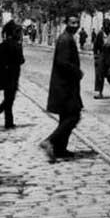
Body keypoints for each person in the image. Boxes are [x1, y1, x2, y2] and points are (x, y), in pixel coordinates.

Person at [40, 15, 83, 162]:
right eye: (72, 23)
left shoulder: (67, 37)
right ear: (66, 23)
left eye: (77, 22)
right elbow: (62, 62)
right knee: (73, 116)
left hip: (65, 85)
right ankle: (50, 141)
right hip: (65, 87)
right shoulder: (66, 39)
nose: (75, 25)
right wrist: (77, 72)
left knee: (65, 116)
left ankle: (60, 149)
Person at [0, 20, 25, 130]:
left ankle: (8, 122)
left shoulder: (1, 45)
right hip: (13, 76)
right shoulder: (17, 46)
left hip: (3, 76)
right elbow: (21, 61)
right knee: (9, 100)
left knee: (8, 99)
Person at [93, 18, 110, 98]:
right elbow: (95, 46)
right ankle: (99, 92)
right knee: (99, 74)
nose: (107, 29)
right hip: (101, 56)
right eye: (105, 27)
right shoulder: (99, 35)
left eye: (108, 27)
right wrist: (96, 56)